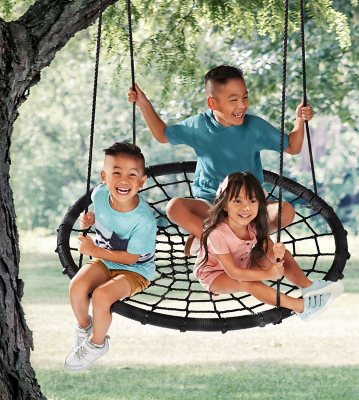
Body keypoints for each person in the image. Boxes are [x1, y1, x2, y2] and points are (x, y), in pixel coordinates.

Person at [127, 64, 330, 295]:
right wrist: (143, 103)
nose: (242, 105)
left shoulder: (254, 127)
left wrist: (299, 120)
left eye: (245, 97)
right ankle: (211, 241)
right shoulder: (199, 126)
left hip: (247, 209)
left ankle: (308, 287)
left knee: (285, 211)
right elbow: (162, 134)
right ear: (213, 103)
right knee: (175, 207)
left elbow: (293, 146)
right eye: (233, 100)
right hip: (211, 208)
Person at [193, 172, 344, 321]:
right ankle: (301, 307)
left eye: (252, 201)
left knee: (282, 253)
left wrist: (276, 253)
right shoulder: (217, 234)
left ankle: (308, 286)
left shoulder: (254, 225)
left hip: (243, 263)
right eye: (237, 201)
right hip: (214, 275)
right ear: (225, 205)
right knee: (248, 282)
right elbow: (233, 273)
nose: (246, 208)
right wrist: (268, 274)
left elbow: (269, 250)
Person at [64, 142, 157, 371]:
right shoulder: (99, 194)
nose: (123, 180)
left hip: (135, 272)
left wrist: (93, 250)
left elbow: (132, 259)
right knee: (76, 287)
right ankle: (85, 329)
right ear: (104, 177)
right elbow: (105, 216)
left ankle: (97, 344)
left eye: (132, 175)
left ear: (142, 181)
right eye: (116, 173)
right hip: (105, 261)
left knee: (101, 296)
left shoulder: (143, 220)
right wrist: (92, 220)